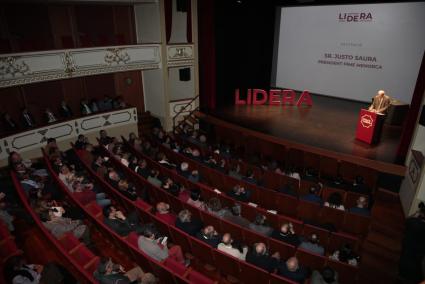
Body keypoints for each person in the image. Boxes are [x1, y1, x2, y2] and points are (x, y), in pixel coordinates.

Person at [4, 255, 76, 284]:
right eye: (21, 263)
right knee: (53, 269)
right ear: (15, 267)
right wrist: (39, 273)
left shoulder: (17, 267)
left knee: (52, 263)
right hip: (38, 282)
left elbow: (27, 267)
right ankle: (69, 280)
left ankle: (63, 279)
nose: (23, 264)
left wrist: (36, 266)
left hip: (37, 276)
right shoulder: (16, 279)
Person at [399, 203, 425, 283]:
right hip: (418, 253)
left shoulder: (413, 222)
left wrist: (415, 214)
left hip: (408, 248)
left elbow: (407, 220)